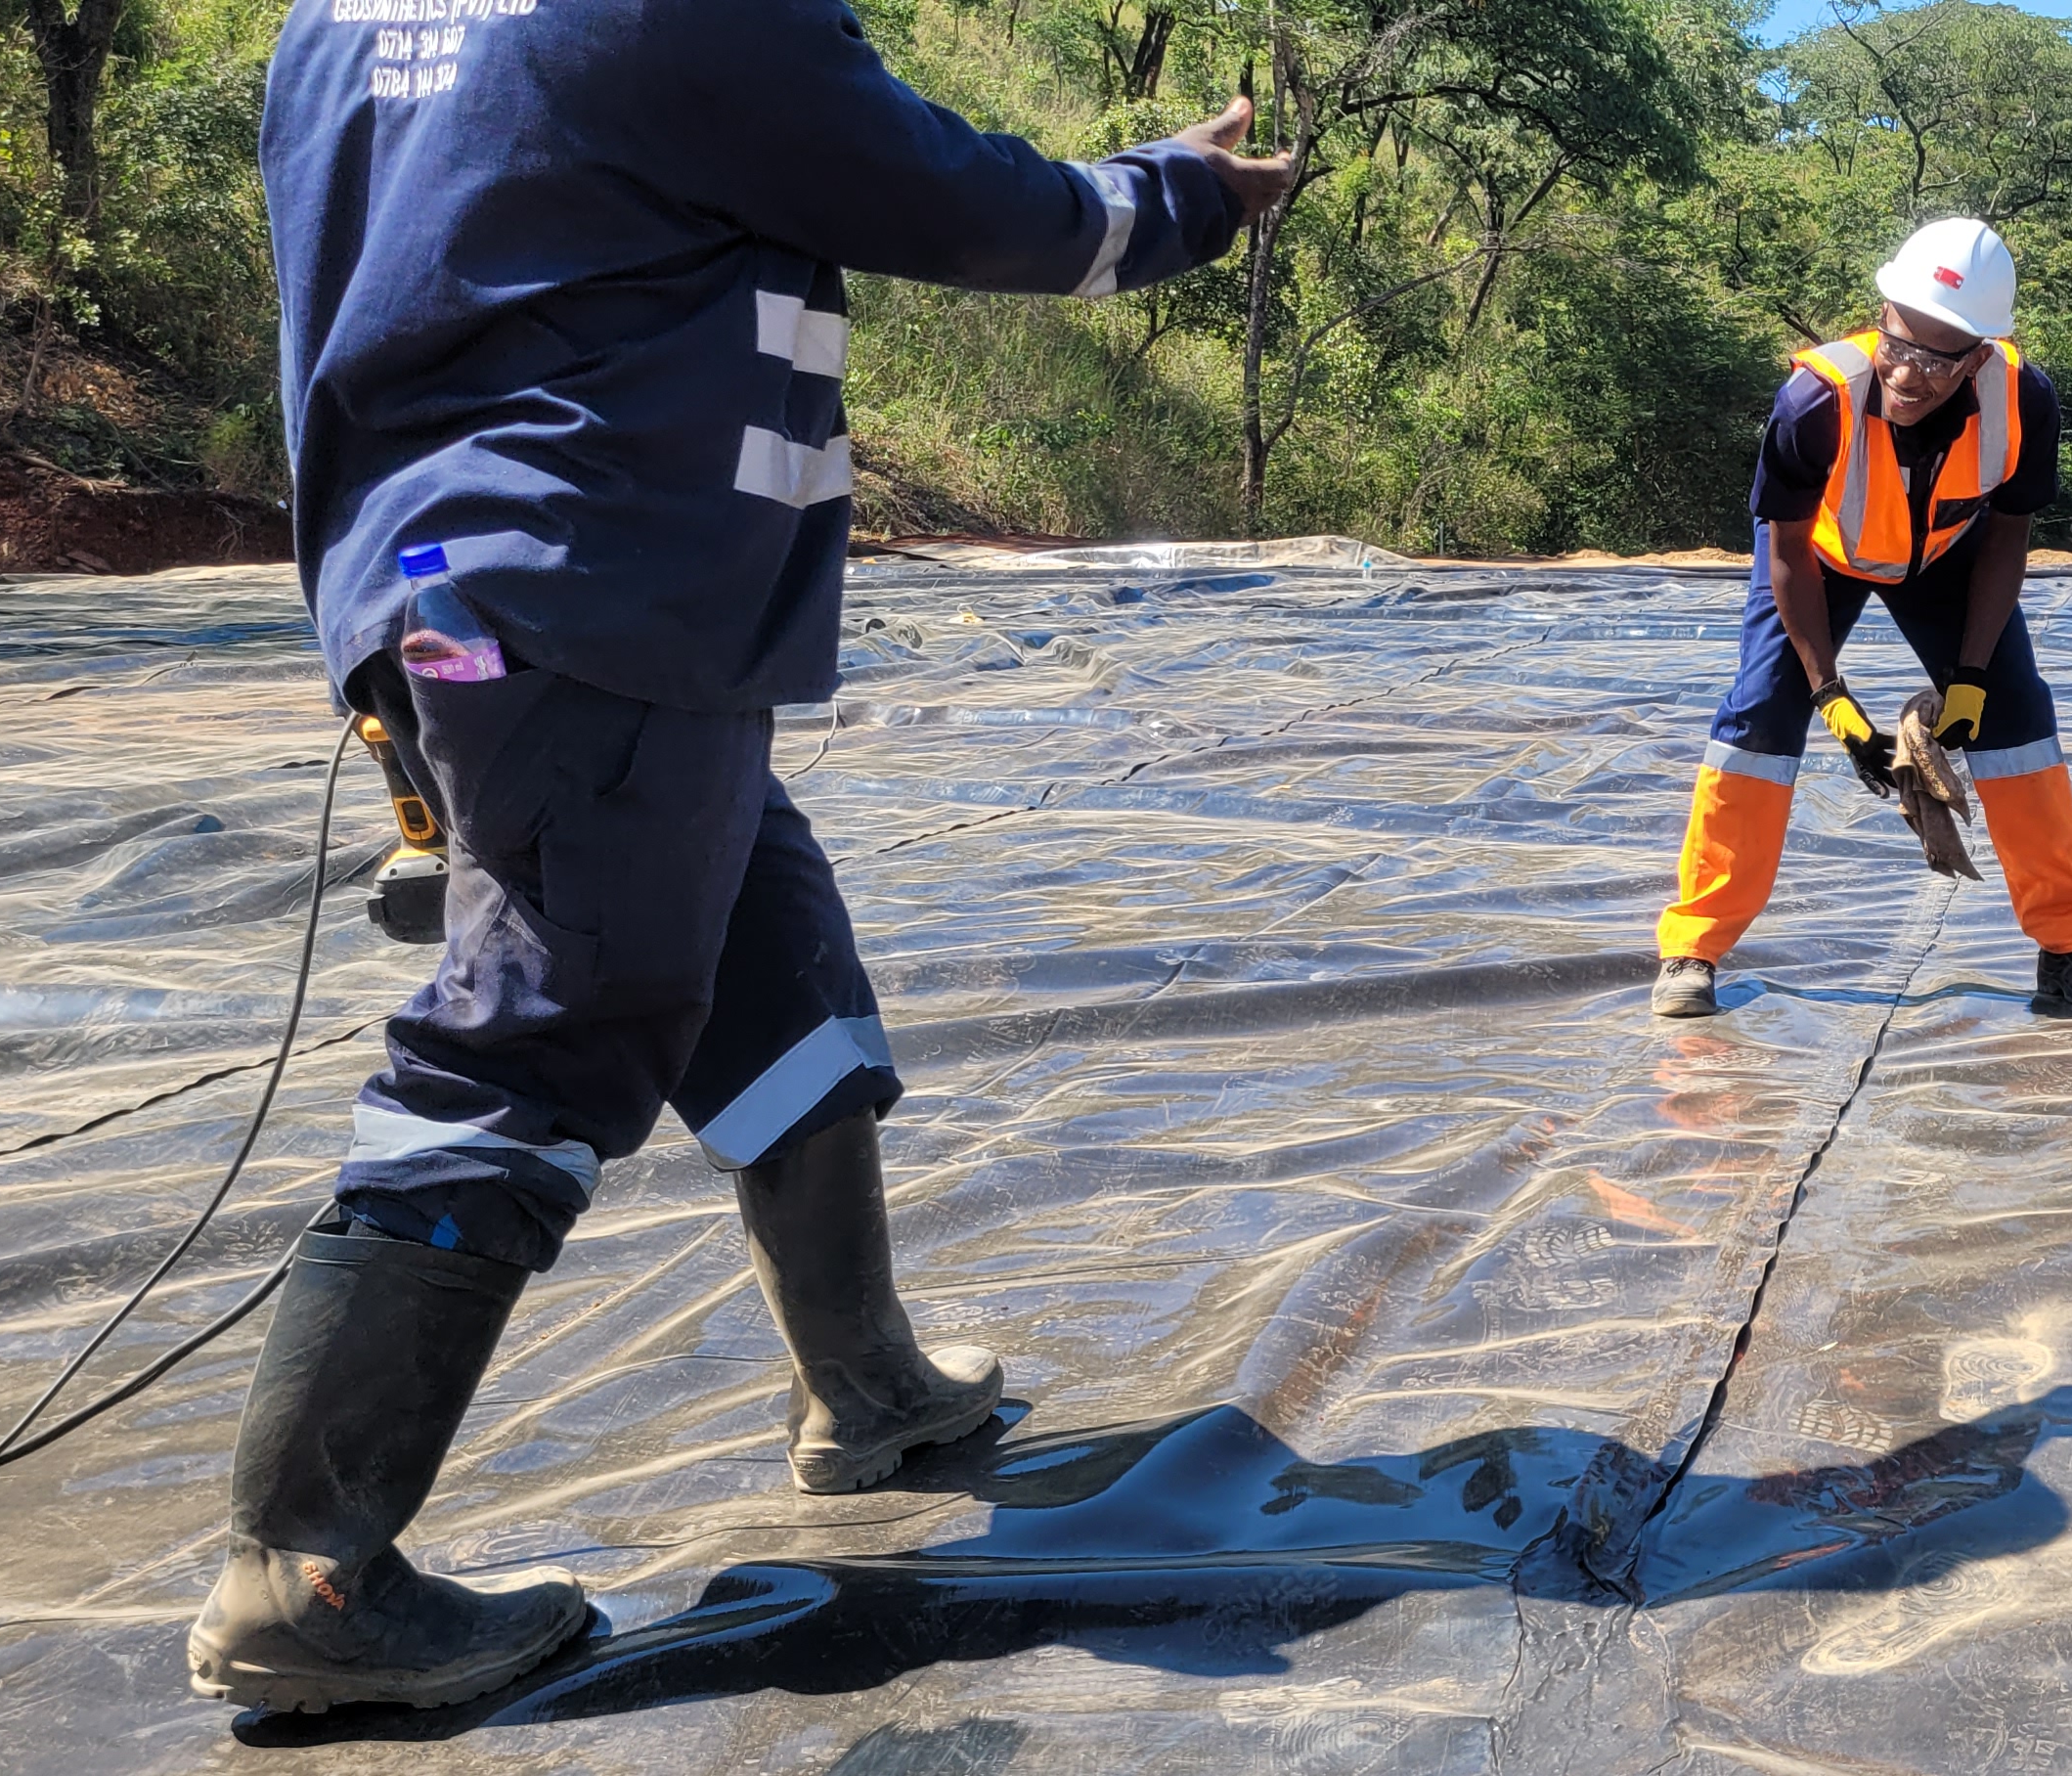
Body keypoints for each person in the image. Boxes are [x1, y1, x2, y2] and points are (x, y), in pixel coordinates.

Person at [198, 0, 1288, 1712]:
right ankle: (305, 1565)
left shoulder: (337, 15)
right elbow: (950, 194)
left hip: (446, 583)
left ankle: (869, 1385)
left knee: (770, 958)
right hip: (594, 580)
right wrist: (1185, 201)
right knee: (543, 1027)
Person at [1653, 218, 2072, 1019]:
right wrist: (1829, 694)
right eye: (1898, 342)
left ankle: (2070, 947)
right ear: (1882, 314)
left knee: (2017, 718)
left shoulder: (2023, 397)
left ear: (1980, 354)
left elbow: (2008, 535)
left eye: (1940, 356)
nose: (1909, 373)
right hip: (1824, 558)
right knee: (1758, 720)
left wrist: (1973, 676)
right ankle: (1692, 949)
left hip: (1949, 557)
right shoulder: (1815, 400)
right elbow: (1787, 550)